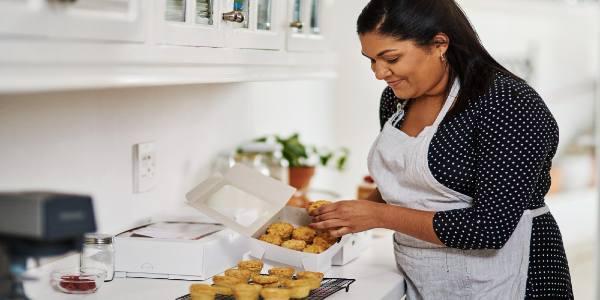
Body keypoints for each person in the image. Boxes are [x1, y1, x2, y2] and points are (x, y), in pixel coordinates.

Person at [309, 0, 573, 298]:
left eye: (391, 58)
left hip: (515, 278)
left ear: (438, 44)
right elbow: (406, 180)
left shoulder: (507, 103)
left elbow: (490, 229)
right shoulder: (395, 100)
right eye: (370, 59)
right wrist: (345, 215)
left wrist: (377, 215)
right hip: (426, 277)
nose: (379, 72)